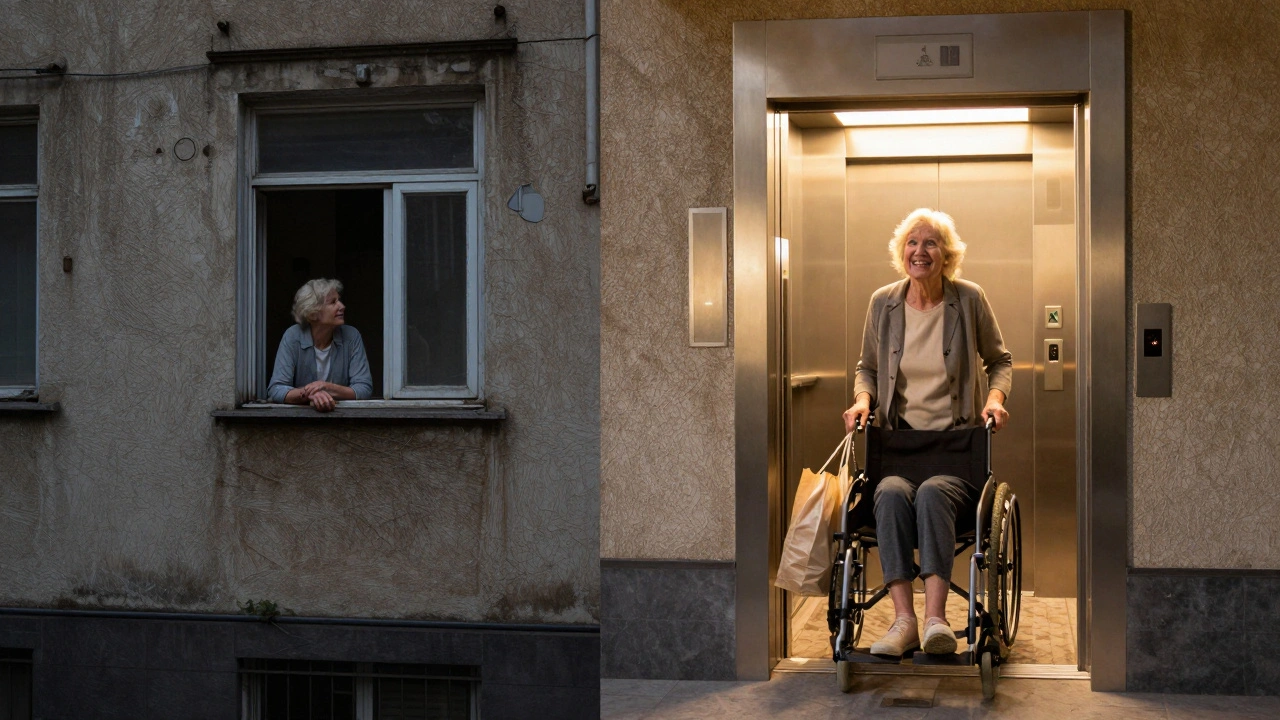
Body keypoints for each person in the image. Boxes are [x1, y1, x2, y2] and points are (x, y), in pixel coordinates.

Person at [842, 208, 1012, 657]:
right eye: (913, 243)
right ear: (903, 253)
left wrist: (995, 400)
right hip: (898, 447)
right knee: (890, 494)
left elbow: (1000, 360)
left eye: (931, 243)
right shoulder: (884, 303)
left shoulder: (969, 299)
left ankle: (936, 618)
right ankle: (904, 622)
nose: (921, 251)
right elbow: (868, 369)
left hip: (956, 451)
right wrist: (863, 400)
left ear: (947, 255)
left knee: (936, 493)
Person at [268, 278, 373, 411]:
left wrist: (326, 387)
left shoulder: (351, 336)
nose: (342, 306)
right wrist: (311, 394)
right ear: (313, 313)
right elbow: (276, 389)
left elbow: (364, 389)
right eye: (333, 302)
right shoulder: (293, 337)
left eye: (339, 300)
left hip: (342, 419)